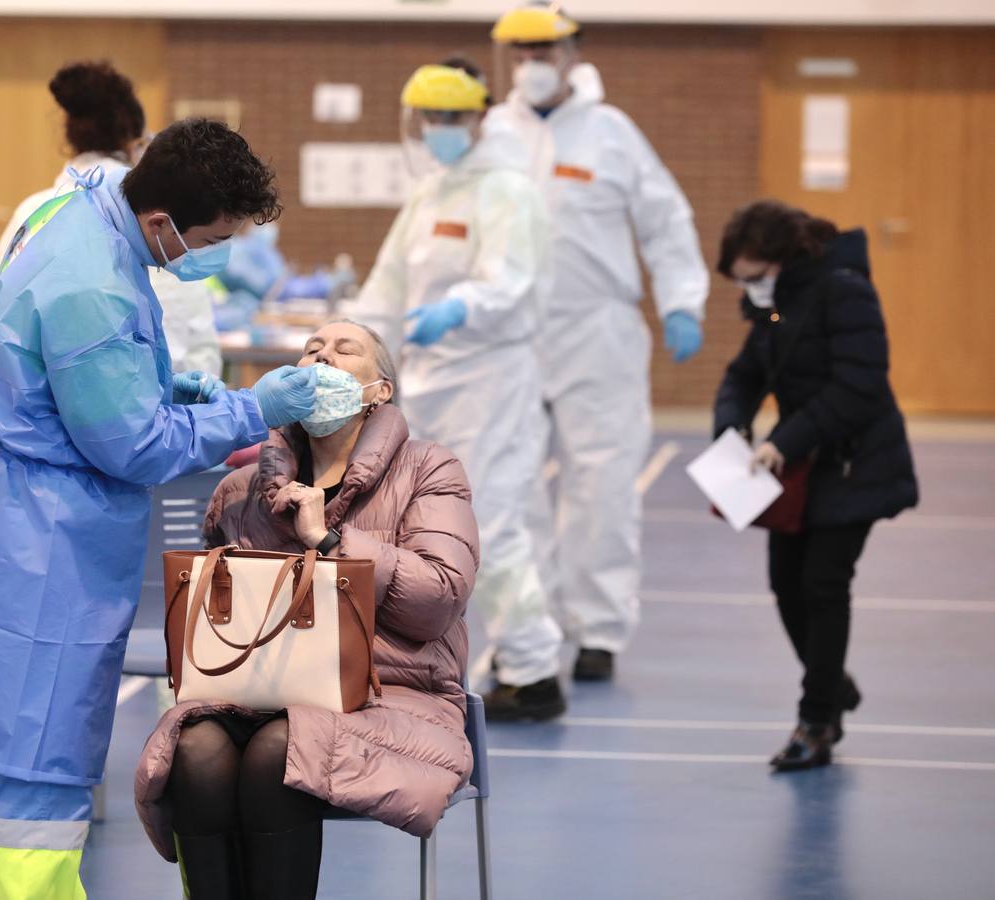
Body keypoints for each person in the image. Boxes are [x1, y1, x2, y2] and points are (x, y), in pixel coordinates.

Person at [0, 118, 317, 899]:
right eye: (213, 238)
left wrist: (161, 382)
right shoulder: (92, 285)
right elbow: (134, 448)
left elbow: (75, 376)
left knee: (41, 742)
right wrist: (247, 409)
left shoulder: (93, 213)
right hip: (40, 535)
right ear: (161, 223)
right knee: (41, 748)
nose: (218, 254)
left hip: (29, 511)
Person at [134, 320, 478, 899]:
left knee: (281, 750)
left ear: (380, 390)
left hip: (390, 693)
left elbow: (438, 601)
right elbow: (220, 617)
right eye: (311, 351)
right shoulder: (242, 489)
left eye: (347, 350)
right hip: (256, 691)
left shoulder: (429, 468)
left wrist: (330, 543)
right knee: (195, 749)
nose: (323, 359)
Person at [485, 4, 710, 684]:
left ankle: (598, 630)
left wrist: (681, 301)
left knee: (602, 480)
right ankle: (527, 626)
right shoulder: (491, 133)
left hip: (597, 329)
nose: (530, 64)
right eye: (519, 52)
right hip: (510, 332)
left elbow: (666, 221)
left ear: (573, 52)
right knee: (509, 482)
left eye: (542, 50)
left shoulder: (613, 135)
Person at [344, 63, 562, 720]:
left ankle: (534, 668)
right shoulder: (434, 190)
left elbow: (511, 280)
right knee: (433, 527)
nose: (439, 130)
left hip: (492, 376)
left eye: (452, 117)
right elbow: (387, 286)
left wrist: (461, 307)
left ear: (480, 117)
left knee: (487, 521)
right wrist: (352, 339)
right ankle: (495, 656)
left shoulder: (507, 190)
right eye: (430, 118)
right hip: (432, 380)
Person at [713, 200, 917, 771]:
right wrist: (730, 425)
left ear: (783, 260)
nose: (749, 289)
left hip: (857, 462)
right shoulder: (777, 301)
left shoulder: (844, 288)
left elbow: (861, 383)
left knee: (824, 586)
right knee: (786, 583)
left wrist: (788, 437)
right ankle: (832, 682)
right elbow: (746, 372)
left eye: (755, 277)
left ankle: (818, 720)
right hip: (803, 464)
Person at [0, 60, 222, 377]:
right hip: (128, 401)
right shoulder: (154, 218)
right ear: (135, 144)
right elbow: (196, 347)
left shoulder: (32, 211)